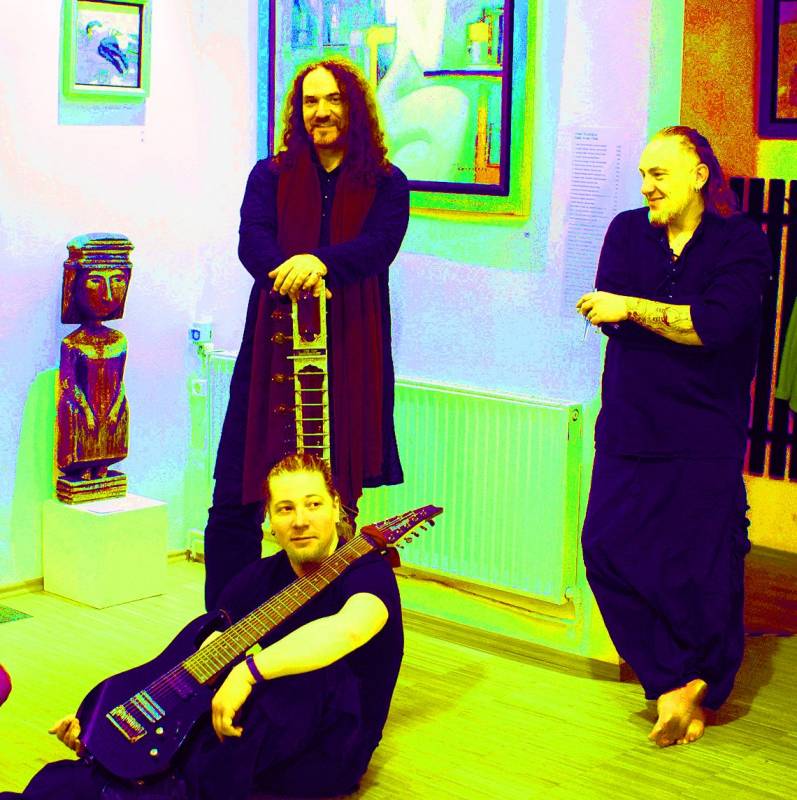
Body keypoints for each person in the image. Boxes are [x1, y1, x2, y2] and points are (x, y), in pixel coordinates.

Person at [1, 453, 403, 799]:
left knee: (308, 677)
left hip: (326, 749)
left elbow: (348, 629)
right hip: (238, 743)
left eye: (313, 504)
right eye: (285, 509)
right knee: (62, 785)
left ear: (336, 506)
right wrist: (107, 729)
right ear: (269, 518)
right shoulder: (258, 578)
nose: (300, 520)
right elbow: (197, 656)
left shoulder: (367, 573)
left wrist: (247, 673)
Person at [576, 126, 772, 747]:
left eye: (658, 174)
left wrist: (632, 309)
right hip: (630, 422)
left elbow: (714, 326)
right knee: (605, 547)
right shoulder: (626, 231)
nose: (646, 186)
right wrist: (651, 317)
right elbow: (611, 315)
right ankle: (668, 676)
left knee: (704, 563)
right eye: (642, 174)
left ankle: (699, 684)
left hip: (704, 428)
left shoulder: (742, 241)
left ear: (699, 175)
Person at [205, 57, 409, 611]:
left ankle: (327, 622)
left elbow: (379, 247)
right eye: (310, 101)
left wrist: (319, 263)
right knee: (236, 496)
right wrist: (291, 271)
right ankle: (223, 627)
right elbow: (252, 241)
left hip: (349, 350)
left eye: (333, 99)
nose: (321, 111)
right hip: (269, 354)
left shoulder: (387, 183)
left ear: (355, 108)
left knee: (335, 500)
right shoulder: (269, 175)